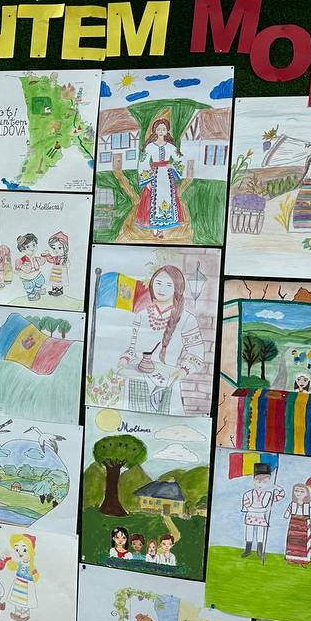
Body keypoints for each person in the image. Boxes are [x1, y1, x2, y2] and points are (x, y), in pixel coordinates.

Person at [118, 265, 206, 415]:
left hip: (168, 383)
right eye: (158, 283)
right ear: (152, 285)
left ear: (177, 289)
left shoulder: (187, 319)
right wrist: (124, 359)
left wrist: (183, 371)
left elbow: (196, 354)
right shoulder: (142, 315)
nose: (162, 288)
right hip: (136, 381)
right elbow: (131, 348)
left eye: (168, 285)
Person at [135, 109, 187, 239]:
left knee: (166, 198)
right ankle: (155, 228)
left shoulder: (170, 146)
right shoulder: (150, 147)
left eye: (163, 129)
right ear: (155, 131)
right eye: (159, 129)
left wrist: (172, 165)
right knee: (152, 201)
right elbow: (143, 162)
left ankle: (161, 228)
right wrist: (147, 180)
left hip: (167, 177)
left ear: (167, 131)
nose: (161, 131)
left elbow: (180, 159)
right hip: (155, 176)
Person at [242, 464, 286, 561]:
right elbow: (246, 505)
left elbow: (280, 496)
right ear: (254, 480)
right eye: (258, 481)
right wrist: (255, 509)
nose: (261, 484)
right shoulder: (248, 494)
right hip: (250, 515)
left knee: (260, 534)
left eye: (265, 482)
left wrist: (277, 488)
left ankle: (259, 551)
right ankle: (248, 550)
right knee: (249, 532)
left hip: (261, 517)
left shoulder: (268, 494)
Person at [283, 478, 311, 567]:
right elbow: (288, 512)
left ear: (306, 493)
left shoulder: (307, 504)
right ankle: (291, 558)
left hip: (304, 524)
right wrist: (286, 515)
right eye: (296, 491)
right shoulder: (293, 504)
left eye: (302, 491)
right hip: (293, 524)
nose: (299, 493)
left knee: (303, 542)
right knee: (293, 541)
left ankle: (303, 560)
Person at [6, 534, 39, 621]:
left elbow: (36, 577)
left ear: (31, 551)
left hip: (27, 586)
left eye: (24, 550)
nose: (20, 553)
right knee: (17, 598)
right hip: (18, 584)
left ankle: (25, 612)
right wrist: (8, 559)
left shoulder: (31, 566)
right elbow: (12, 567)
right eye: (17, 550)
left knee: (25, 600)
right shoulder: (19, 563)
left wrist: (33, 574)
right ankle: (17, 611)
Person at [14, 233, 46, 301]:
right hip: (27, 276)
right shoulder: (24, 258)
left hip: (36, 273)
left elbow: (41, 262)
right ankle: (31, 296)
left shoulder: (35, 257)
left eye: (34, 245)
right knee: (29, 286)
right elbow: (18, 263)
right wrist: (21, 266)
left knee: (41, 280)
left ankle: (37, 290)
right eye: (28, 247)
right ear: (22, 250)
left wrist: (43, 256)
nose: (32, 248)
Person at [42, 231, 69, 298]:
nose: (56, 250)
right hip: (55, 273)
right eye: (54, 248)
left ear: (65, 248)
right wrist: (47, 255)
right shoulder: (56, 258)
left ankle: (59, 291)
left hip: (61, 273)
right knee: (54, 282)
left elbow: (68, 264)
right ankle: (54, 290)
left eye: (59, 248)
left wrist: (65, 265)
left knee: (59, 283)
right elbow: (51, 259)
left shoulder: (64, 258)